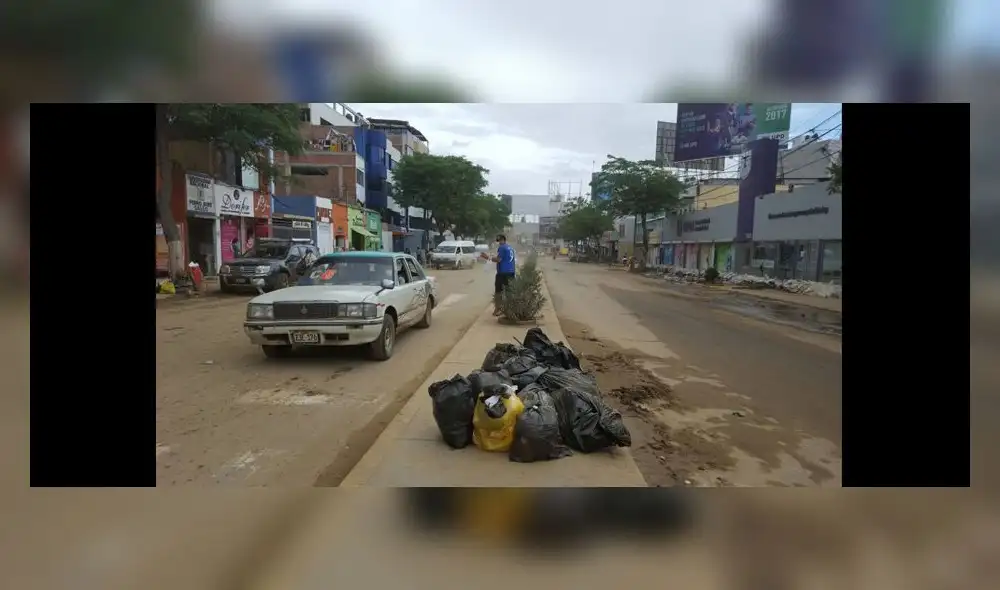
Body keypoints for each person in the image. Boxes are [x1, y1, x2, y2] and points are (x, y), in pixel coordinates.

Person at [490, 234, 516, 316]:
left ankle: (498, 309)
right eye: (498, 241)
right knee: (509, 292)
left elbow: (499, 260)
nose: (499, 243)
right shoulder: (510, 248)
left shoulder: (502, 248)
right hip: (511, 272)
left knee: (498, 292)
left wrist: (489, 258)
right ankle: (510, 309)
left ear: (503, 240)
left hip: (502, 273)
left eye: (500, 241)